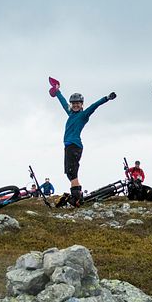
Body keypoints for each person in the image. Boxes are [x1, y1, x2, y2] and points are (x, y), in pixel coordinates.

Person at [50, 78, 116, 206]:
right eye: (73, 103)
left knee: (72, 172)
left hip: (75, 146)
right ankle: (78, 195)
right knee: (69, 173)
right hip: (68, 146)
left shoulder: (83, 115)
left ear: (81, 104)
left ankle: (76, 199)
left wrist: (107, 98)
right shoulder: (70, 114)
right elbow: (63, 102)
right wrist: (57, 91)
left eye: (78, 103)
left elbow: (94, 106)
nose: (75, 105)